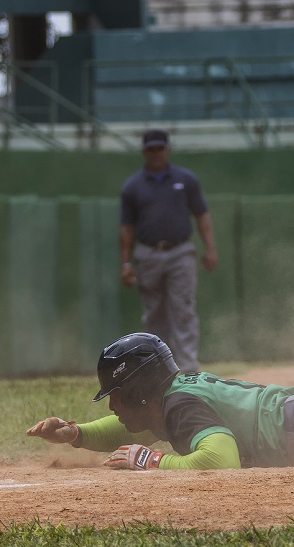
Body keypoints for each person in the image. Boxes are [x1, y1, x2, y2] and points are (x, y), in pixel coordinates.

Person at [26, 333, 294, 470]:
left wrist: (151, 462)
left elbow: (221, 458)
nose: (113, 409)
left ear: (141, 391)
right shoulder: (172, 400)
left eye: (118, 397)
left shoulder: (180, 407)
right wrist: (76, 434)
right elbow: (129, 427)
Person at [119, 129, 218, 372]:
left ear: (168, 149)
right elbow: (126, 228)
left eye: (159, 148)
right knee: (154, 314)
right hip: (148, 253)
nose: (155, 153)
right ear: (144, 151)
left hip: (180, 252)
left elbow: (202, 216)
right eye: (150, 149)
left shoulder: (185, 180)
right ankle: (156, 370)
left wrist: (210, 249)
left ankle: (188, 368)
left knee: (183, 309)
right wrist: (126, 264)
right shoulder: (132, 186)